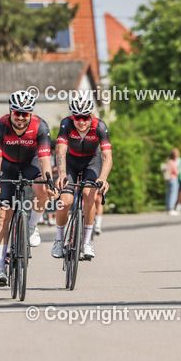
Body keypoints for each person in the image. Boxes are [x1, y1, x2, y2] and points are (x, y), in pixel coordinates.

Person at [0, 90, 53, 287]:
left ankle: (31, 225)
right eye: (17, 113)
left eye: (26, 113)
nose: (21, 118)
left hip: (29, 163)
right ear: (10, 111)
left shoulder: (40, 126)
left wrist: (49, 183)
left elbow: (44, 160)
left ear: (30, 113)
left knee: (41, 190)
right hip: (6, 167)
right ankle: (0, 267)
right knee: (2, 216)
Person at [51, 93, 111, 261]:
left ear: (90, 115)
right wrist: (62, 174)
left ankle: (86, 242)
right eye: (77, 117)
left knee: (89, 194)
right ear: (73, 116)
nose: (81, 121)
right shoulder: (66, 124)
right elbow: (61, 151)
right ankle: (59, 239)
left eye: (85, 117)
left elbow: (107, 156)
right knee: (65, 200)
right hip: (71, 161)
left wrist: (103, 178)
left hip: (92, 161)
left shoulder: (100, 127)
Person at [162, 149, 180, 215]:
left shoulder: (168, 161)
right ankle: (171, 208)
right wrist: (180, 171)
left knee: (169, 194)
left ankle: (168, 208)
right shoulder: (173, 163)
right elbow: (176, 172)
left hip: (169, 179)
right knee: (173, 194)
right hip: (173, 179)